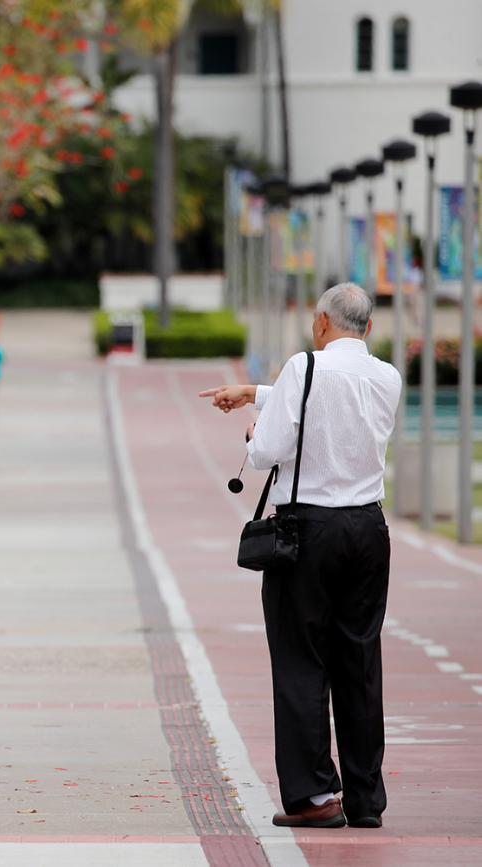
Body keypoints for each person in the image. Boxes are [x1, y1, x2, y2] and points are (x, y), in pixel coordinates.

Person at [199, 283, 401, 830]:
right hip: (367, 527)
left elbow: (267, 449)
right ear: (368, 328)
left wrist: (253, 424)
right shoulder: (387, 376)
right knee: (359, 662)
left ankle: (315, 796)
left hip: (307, 529)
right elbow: (332, 398)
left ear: (319, 324)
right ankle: (365, 799)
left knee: (301, 658)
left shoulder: (303, 366)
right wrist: (256, 392)